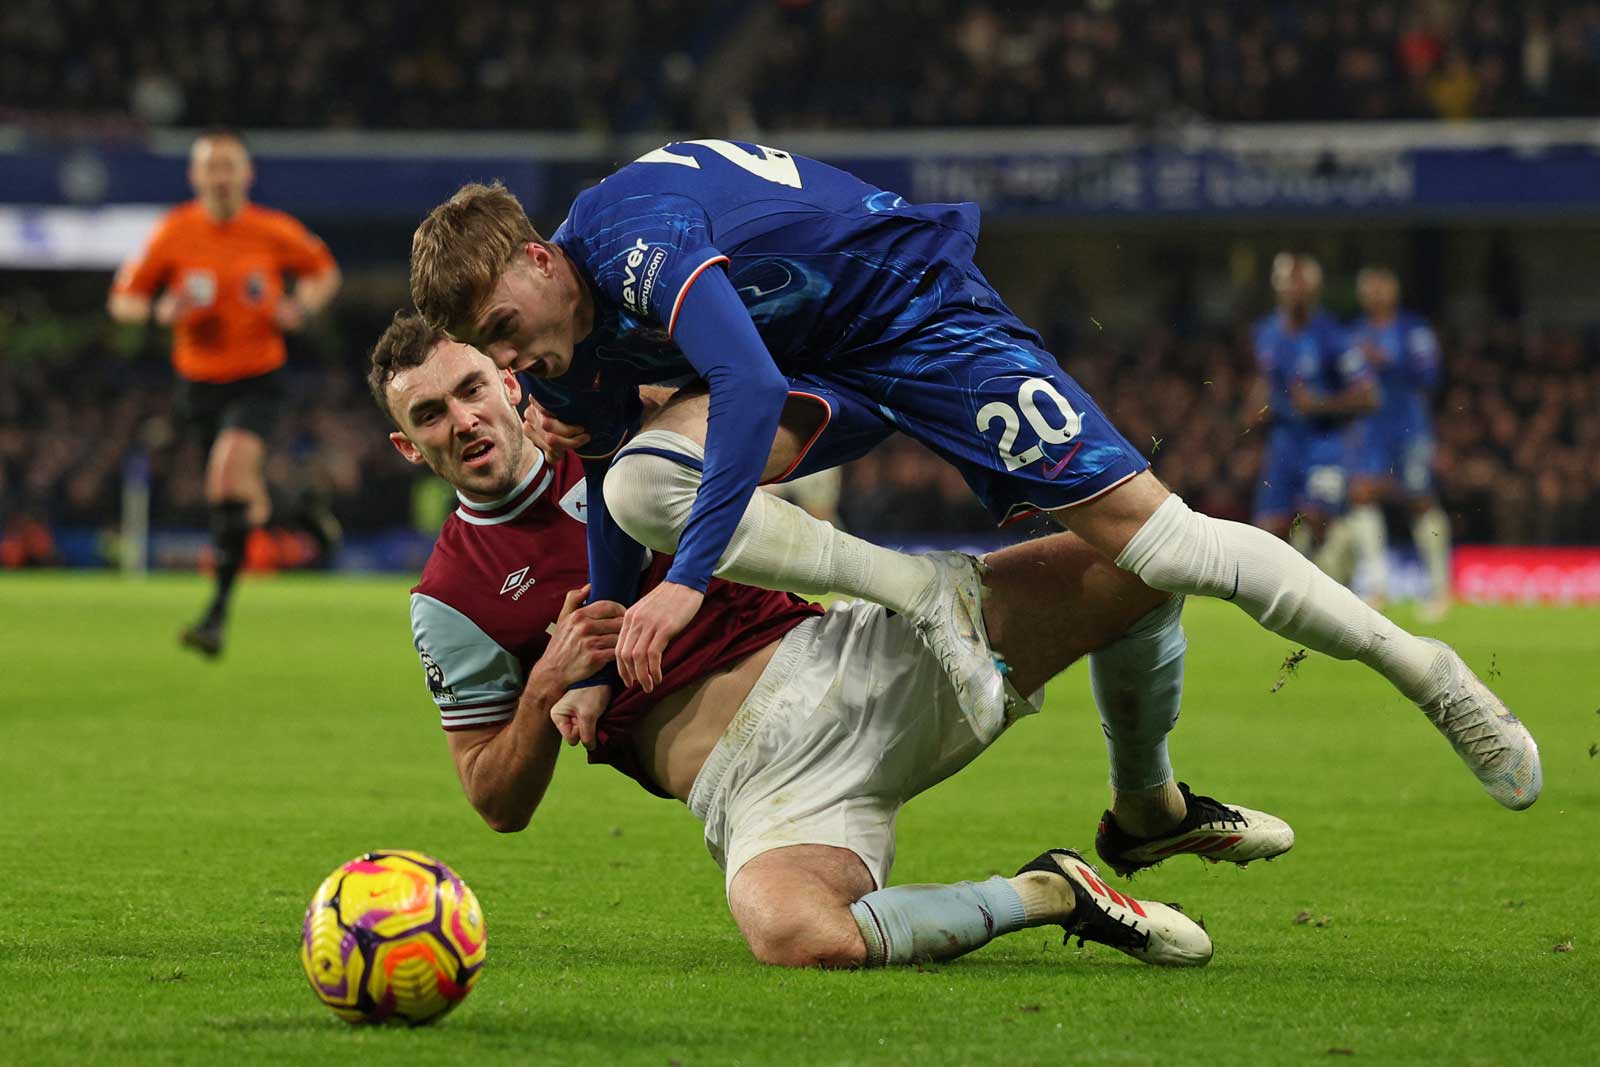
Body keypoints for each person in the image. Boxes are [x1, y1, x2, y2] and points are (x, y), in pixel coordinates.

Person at [408, 140, 1540, 812]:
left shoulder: (634, 237)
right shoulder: (559, 349)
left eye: (507, 327)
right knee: (628, 488)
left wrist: (686, 585)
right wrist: (603, 652)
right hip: (817, 370)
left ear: (544, 259)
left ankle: (1423, 666)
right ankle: (923, 592)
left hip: (917, 317)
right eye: (488, 349)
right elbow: (615, 457)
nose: (508, 364)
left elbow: (742, 390)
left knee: (1161, 548)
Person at [369, 316, 1297, 968]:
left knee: (1139, 560)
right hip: (753, 791)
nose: (463, 421)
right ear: (409, 449)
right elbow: (494, 800)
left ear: (509, 380)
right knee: (794, 934)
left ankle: (1148, 803)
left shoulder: (622, 433)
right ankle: (1048, 893)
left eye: (471, 389)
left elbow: (758, 404)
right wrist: (545, 685)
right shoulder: (447, 595)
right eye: (431, 416)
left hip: (857, 664)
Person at [108, 130, 342, 656]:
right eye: (210, 167)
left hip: (258, 381)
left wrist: (301, 308)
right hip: (197, 388)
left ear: (246, 174)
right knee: (242, 499)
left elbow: (324, 272)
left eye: (228, 166)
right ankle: (301, 512)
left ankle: (215, 616)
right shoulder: (173, 233)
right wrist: (155, 312)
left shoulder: (271, 230)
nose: (219, 176)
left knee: (224, 478)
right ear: (194, 177)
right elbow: (123, 298)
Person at [1246, 253, 1376, 556]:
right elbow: (1266, 378)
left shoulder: (1333, 336)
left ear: (1315, 289)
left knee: (1317, 520)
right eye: (1290, 283)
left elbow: (1369, 396)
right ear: (1278, 288)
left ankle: (1343, 563)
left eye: (1302, 284)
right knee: (1271, 528)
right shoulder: (1266, 332)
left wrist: (1319, 404)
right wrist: (1254, 407)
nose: (1296, 291)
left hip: (1325, 443)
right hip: (1284, 443)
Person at [1341, 267, 1452, 617]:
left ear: (1394, 291)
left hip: (1409, 427)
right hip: (1370, 430)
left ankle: (1439, 589)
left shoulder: (1413, 329)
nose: (1375, 295)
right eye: (1369, 289)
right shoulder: (1355, 332)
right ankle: (1376, 587)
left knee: (1419, 500)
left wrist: (1387, 362)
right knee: (1361, 493)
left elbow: (1432, 375)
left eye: (1381, 288)